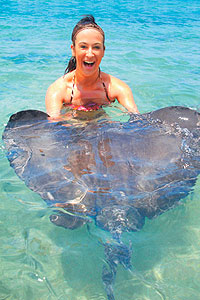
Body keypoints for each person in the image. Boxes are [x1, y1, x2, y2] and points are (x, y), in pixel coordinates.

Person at [45, 15, 139, 118]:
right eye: (83, 47)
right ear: (73, 50)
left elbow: (137, 119)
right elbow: (53, 125)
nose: (90, 54)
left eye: (96, 47)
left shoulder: (118, 88)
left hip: (103, 125)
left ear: (103, 51)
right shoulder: (58, 90)